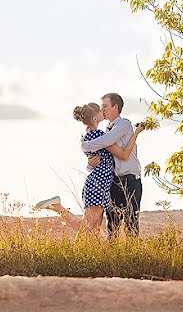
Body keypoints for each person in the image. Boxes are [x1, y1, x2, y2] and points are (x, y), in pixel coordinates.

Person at [33, 102, 144, 234]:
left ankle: (80, 253)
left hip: (99, 182)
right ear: (94, 118)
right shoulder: (99, 136)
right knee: (85, 227)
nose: (103, 110)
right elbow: (124, 153)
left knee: (93, 231)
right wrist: (135, 133)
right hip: (99, 183)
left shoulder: (89, 134)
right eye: (99, 110)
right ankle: (57, 207)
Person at [84, 92, 143, 236]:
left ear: (115, 107)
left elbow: (107, 142)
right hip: (113, 181)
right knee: (113, 223)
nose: (102, 110)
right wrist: (90, 164)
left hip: (130, 180)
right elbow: (105, 158)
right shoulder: (105, 131)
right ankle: (114, 256)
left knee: (131, 222)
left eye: (104, 106)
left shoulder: (124, 125)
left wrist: (85, 146)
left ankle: (133, 257)